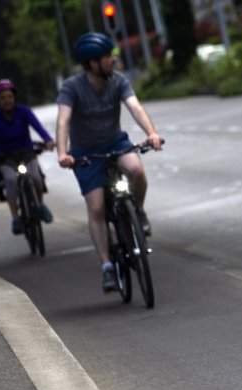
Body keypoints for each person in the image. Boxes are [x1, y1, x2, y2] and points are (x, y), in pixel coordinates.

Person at [56, 32, 162, 293]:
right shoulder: (72, 87)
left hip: (115, 142)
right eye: (107, 57)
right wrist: (62, 152)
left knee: (136, 170)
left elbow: (135, 107)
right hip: (85, 153)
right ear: (92, 63)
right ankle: (106, 268)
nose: (113, 60)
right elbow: (63, 121)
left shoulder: (118, 81)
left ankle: (138, 212)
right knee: (96, 208)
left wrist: (151, 133)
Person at [0, 79, 55, 235]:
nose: (7, 100)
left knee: (36, 177)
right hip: (5, 157)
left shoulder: (24, 111)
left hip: (27, 153)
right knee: (10, 180)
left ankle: (41, 205)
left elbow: (38, 127)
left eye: (9, 96)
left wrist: (48, 140)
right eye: (2, 98)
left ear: (14, 97)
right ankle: (16, 218)